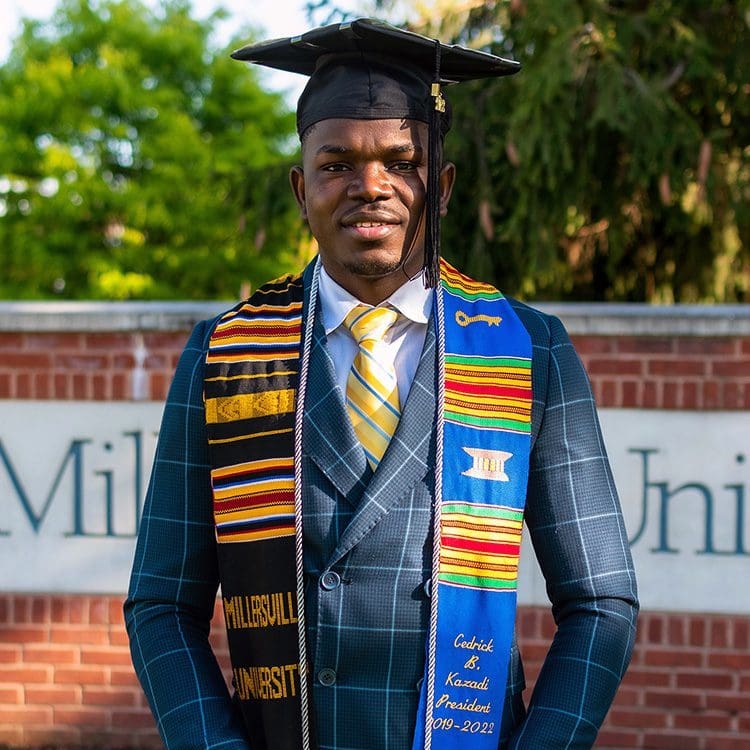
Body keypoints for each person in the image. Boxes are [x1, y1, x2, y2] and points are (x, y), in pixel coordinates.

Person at [125, 18, 638, 750]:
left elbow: (601, 603)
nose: (371, 187)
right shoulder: (226, 355)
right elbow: (159, 606)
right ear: (302, 190)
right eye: (336, 164)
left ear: (444, 185)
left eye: (402, 160)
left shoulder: (527, 351)